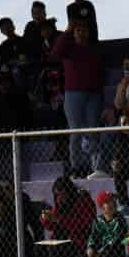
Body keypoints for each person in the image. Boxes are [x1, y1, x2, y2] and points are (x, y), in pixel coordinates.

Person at [49, 21, 105, 175]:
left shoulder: (94, 49)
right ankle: (76, 166)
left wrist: (101, 95)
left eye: (84, 30)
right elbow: (54, 54)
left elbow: (100, 73)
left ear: (89, 32)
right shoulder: (68, 48)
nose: (81, 33)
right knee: (75, 131)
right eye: (78, 30)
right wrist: (66, 32)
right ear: (74, 33)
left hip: (93, 94)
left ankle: (96, 167)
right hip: (73, 94)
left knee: (93, 129)